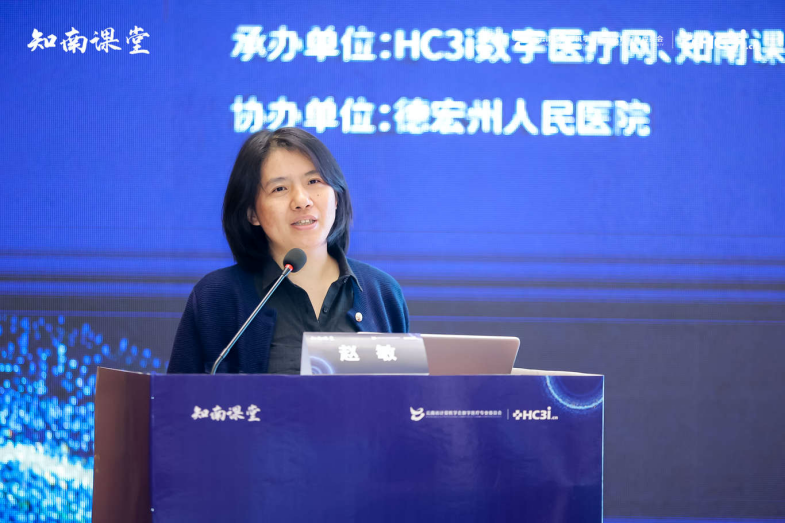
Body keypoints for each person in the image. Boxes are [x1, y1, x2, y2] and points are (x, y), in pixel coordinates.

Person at [167, 128, 409, 374]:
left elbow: (404, 392)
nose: (302, 200)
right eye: (280, 188)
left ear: (336, 197)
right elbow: (177, 395)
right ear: (252, 213)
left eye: (314, 181)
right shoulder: (217, 297)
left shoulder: (381, 292)